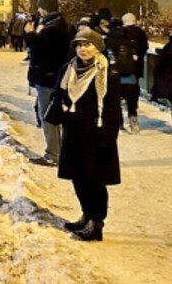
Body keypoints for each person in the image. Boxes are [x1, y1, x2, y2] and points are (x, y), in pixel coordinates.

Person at [56, 28, 122, 242]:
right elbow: (61, 94)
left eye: (88, 45)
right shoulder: (69, 70)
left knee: (95, 181)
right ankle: (86, 215)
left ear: (98, 47)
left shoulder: (108, 74)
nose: (83, 49)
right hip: (74, 132)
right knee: (77, 177)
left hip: (96, 134)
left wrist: (108, 141)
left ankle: (97, 223)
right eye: (79, 45)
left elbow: (113, 111)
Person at [27, 0, 74, 165]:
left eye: (40, 7)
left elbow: (38, 50)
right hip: (58, 76)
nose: (38, 11)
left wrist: (30, 35)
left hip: (48, 78)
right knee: (55, 115)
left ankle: (53, 154)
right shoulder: (64, 26)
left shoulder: (50, 29)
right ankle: (60, 152)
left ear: (44, 8)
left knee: (48, 116)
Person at [109, 12, 150, 132]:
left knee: (115, 97)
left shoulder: (112, 36)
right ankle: (133, 118)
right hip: (133, 69)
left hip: (115, 70)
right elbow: (144, 48)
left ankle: (119, 122)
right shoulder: (139, 33)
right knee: (132, 94)